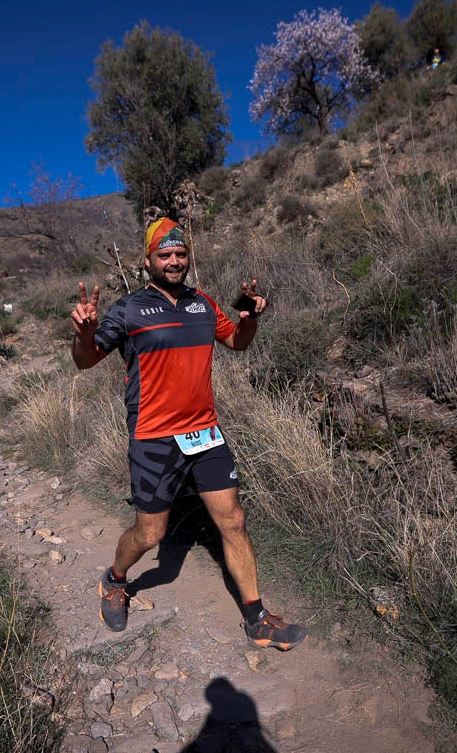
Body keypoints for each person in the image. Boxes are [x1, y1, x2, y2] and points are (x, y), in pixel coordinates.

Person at [70, 217, 307, 651]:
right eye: (165, 254)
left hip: (204, 432)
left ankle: (256, 618)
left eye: (181, 253)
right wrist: (85, 336)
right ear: (148, 261)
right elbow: (85, 360)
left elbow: (237, 342)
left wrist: (249, 320)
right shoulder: (128, 309)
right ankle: (115, 580)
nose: (175, 261)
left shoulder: (203, 304)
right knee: (150, 535)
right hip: (153, 436)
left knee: (233, 520)